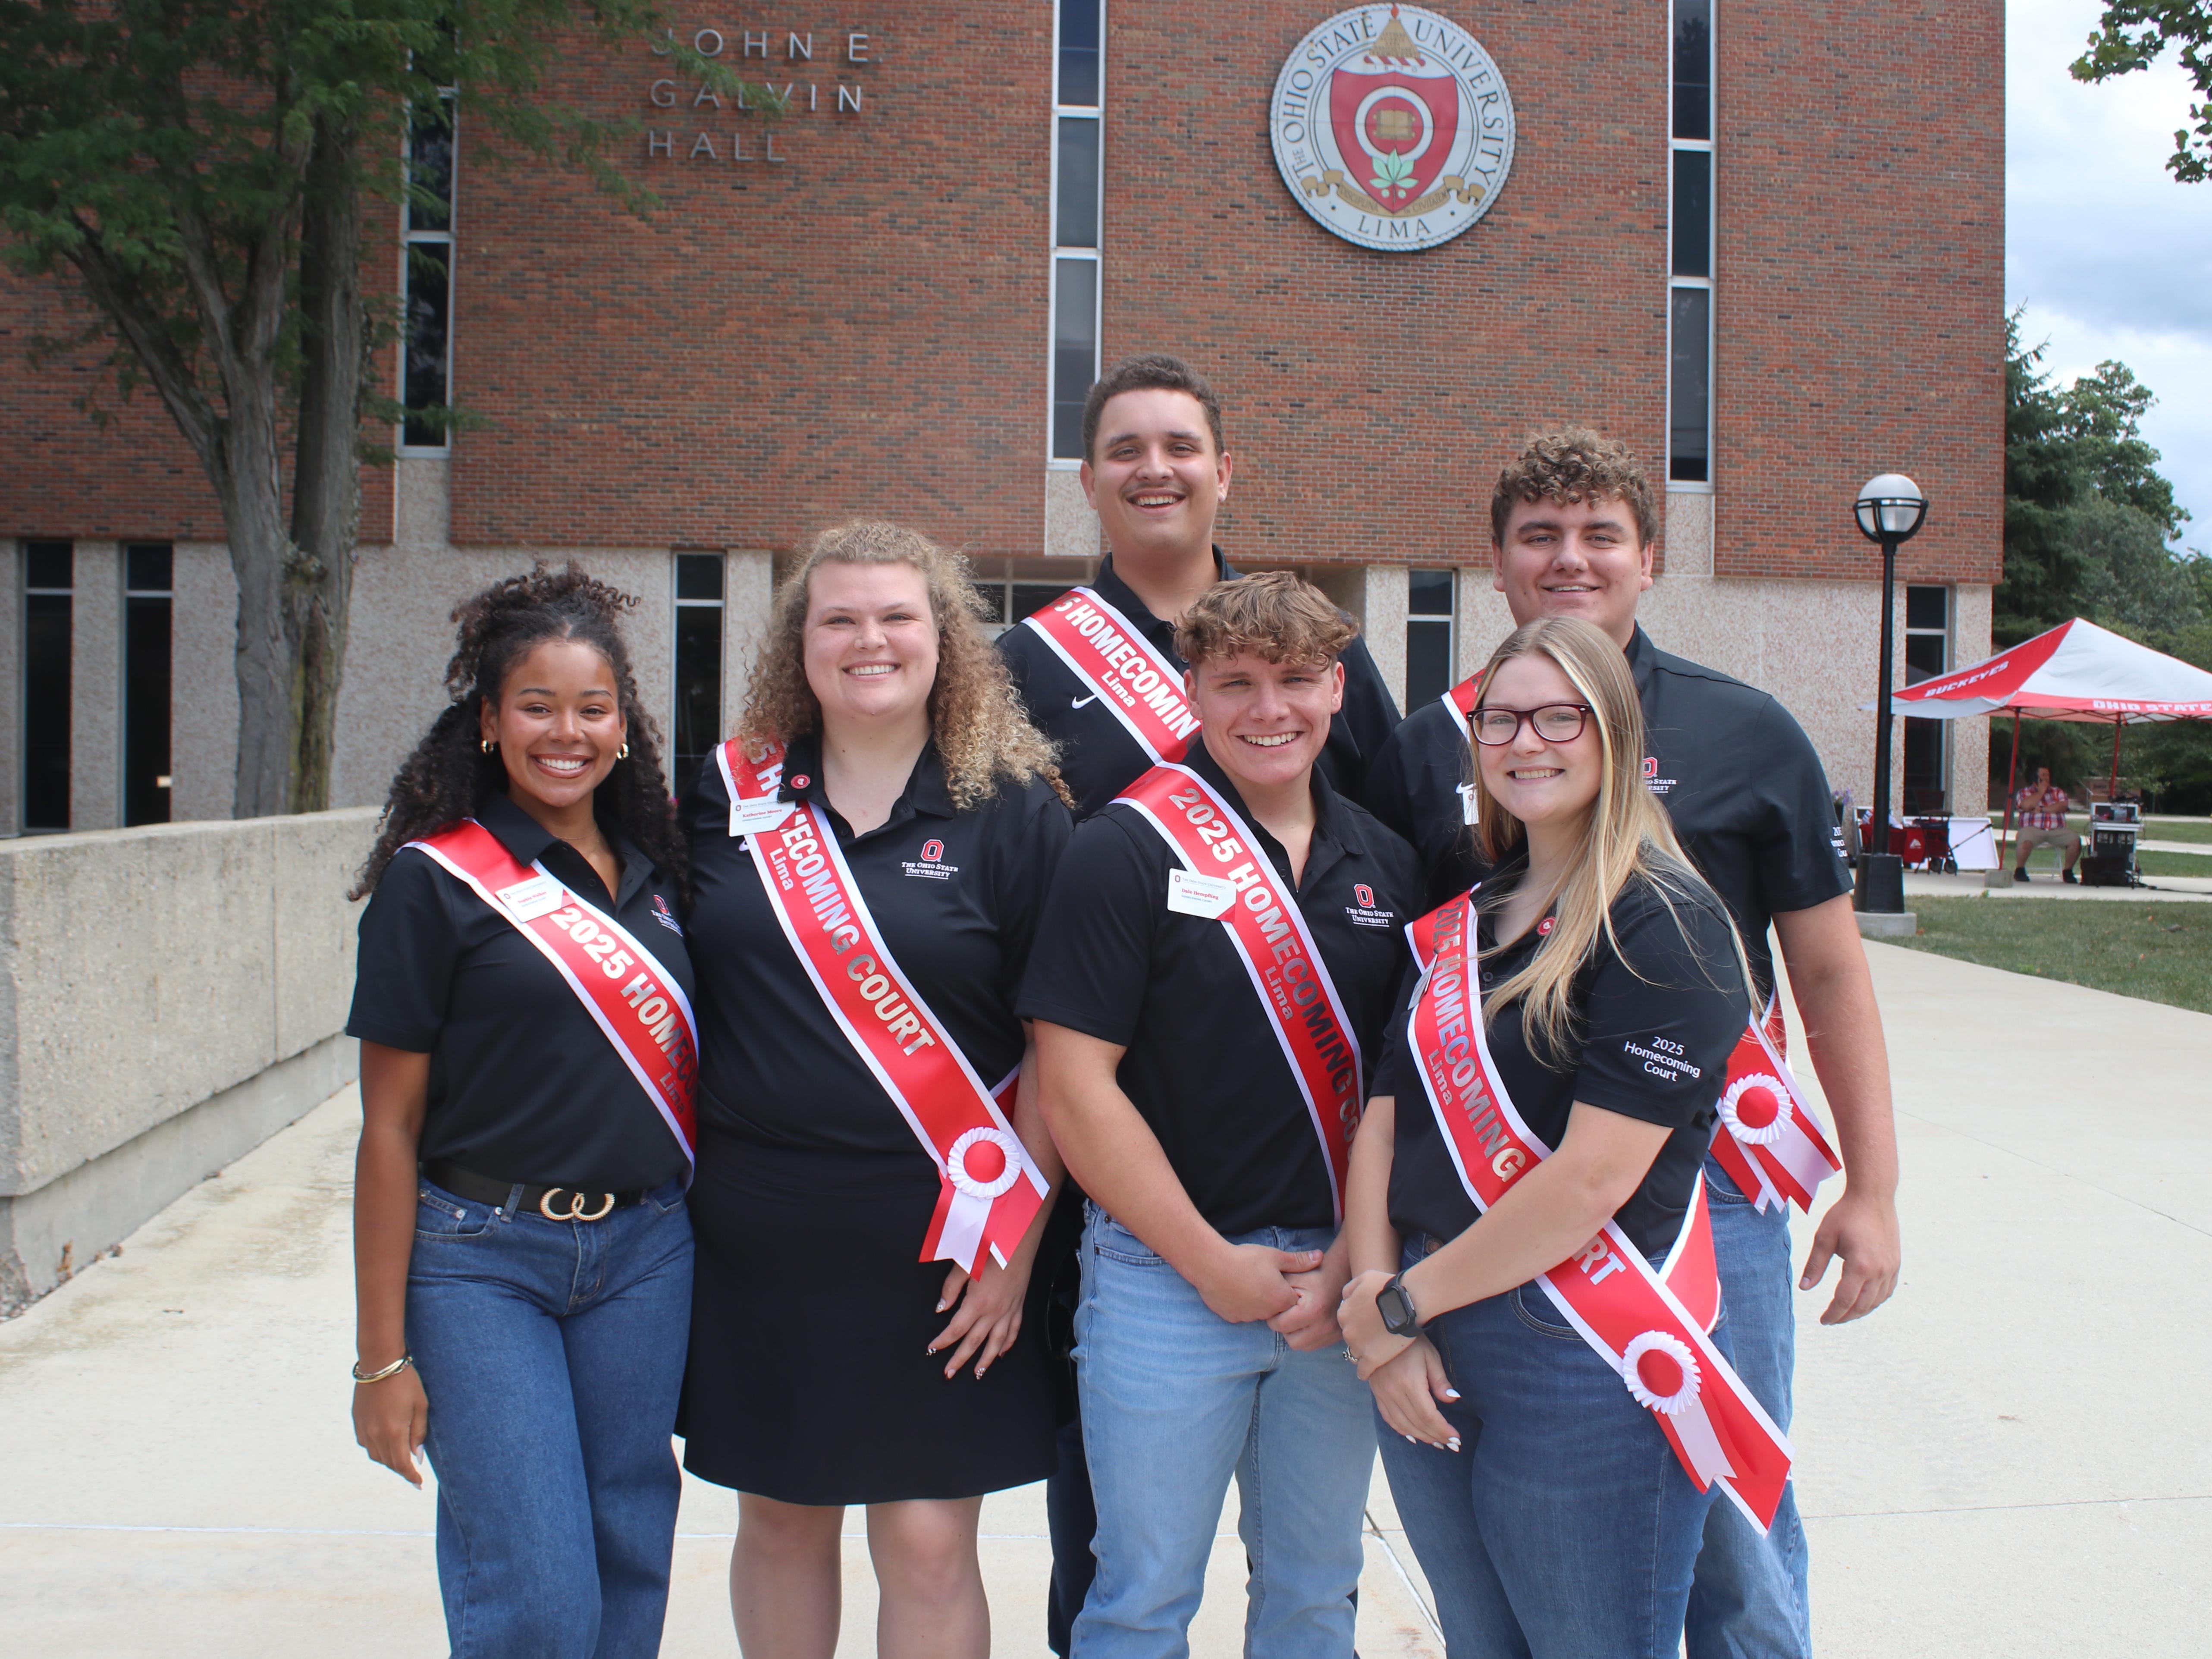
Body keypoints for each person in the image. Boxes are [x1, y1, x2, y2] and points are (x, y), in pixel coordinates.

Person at [1362, 428, 1902, 1658]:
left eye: (1600, 533)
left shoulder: (1749, 730)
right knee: (1542, 1545)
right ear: (1496, 564)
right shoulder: (1432, 745)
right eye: (1538, 536)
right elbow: (1403, 985)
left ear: (1650, 556)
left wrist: (1872, 1182)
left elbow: (1827, 967)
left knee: (1734, 1510)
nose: (1570, 559)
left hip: (1703, 1186)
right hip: (1493, 1189)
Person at [997, 352, 1405, 1651]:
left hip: (1324, 1231)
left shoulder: (1308, 651)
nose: (1155, 468)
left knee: (1307, 1582)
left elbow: (1396, 940)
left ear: (1224, 471)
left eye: (1181, 445)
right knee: (1125, 1566)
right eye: (1125, 447)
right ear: (1087, 480)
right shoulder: (1023, 665)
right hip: (1119, 1185)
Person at [1340, 615, 1775, 1658]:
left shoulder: (1664, 918)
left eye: (1556, 716)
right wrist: (1376, 1304)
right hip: (1431, 1337)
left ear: (1613, 734)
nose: (1524, 742)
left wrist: (1400, 1302)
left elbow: (1590, 1180)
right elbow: (1385, 1116)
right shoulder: (1470, 915)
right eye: (1499, 719)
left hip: (1577, 1355)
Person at [679, 521, 1073, 1659]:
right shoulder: (719, 795)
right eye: (839, 617)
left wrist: (1014, 1243)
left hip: (952, 1232)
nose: (871, 639)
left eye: (899, 615)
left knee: (930, 1541)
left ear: (943, 638)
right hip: (759, 1230)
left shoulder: (1015, 806)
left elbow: (1060, 1044)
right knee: (781, 1515)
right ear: (797, 644)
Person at [346, 564, 698, 1658]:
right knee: (538, 1597)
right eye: (535, 706)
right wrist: (378, 1358)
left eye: (592, 708)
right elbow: (388, 1128)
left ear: (625, 727)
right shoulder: (435, 881)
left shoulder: (664, 879)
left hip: (645, 1254)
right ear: (490, 722)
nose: (566, 731)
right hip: (481, 1258)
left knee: (629, 1562)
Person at [2010, 766, 2080, 883]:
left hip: (2057, 830)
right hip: (2033, 829)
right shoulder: (2025, 792)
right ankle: (2020, 870)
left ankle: (2068, 872)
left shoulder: (2057, 792)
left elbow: (2063, 806)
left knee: (2075, 840)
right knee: (2026, 841)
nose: (2047, 778)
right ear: (2036, 778)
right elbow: (2026, 806)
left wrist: (2042, 809)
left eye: (2048, 775)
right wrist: (2041, 792)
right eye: (2044, 775)